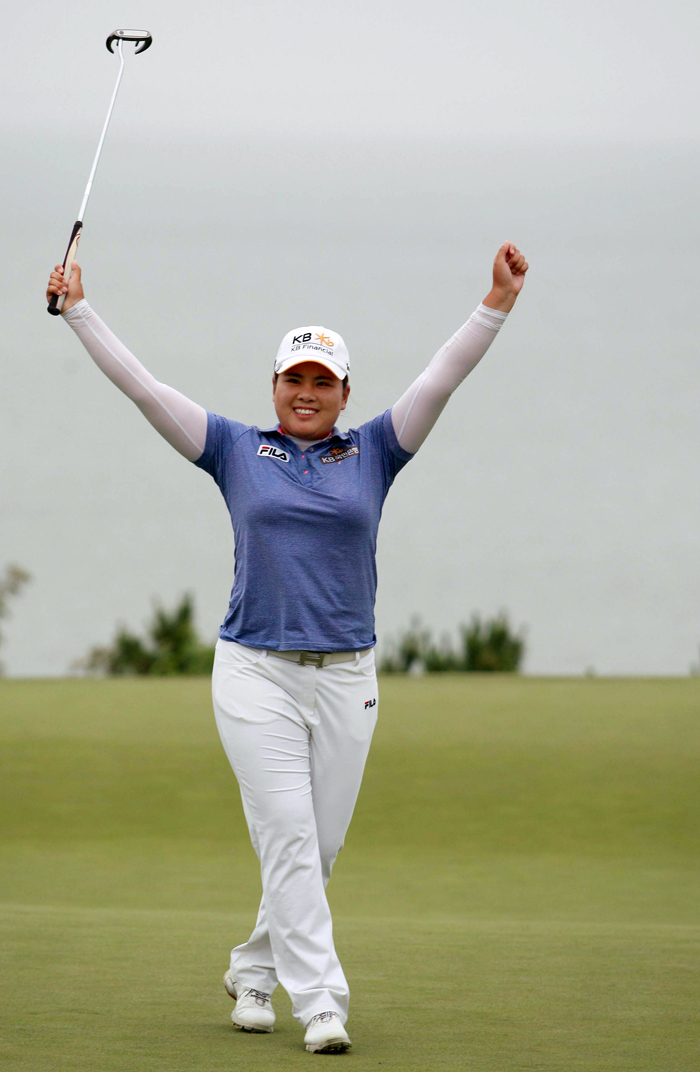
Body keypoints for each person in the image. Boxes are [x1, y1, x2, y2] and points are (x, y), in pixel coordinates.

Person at [46, 241, 528, 1053]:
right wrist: (80, 311)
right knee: (292, 838)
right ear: (274, 387)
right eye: (294, 379)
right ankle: (324, 1003)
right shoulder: (236, 449)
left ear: (344, 393)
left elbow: (442, 376)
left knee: (317, 845)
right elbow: (143, 387)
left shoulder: (376, 450)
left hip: (348, 676)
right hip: (254, 673)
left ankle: (254, 971)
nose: (307, 393)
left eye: (322, 382)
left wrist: (496, 302)